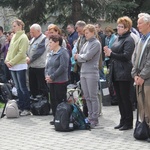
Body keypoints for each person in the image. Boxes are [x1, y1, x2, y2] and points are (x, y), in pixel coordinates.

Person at [104, 16, 135, 130]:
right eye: (118, 26)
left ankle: (128, 122)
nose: (118, 28)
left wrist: (111, 54)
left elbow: (126, 56)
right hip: (116, 71)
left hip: (124, 72)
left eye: (121, 26)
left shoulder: (129, 40)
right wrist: (108, 52)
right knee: (120, 99)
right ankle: (122, 120)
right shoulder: (118, 38)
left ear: (127, 28)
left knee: (125, 98)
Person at [74, 24, 101, 128]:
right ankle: (89, 116)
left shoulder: (96, 43)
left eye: (87, 33)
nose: (85, 35)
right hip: (83, 72)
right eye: (84, 33)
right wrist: (80, 57)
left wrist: (80, 57)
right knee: (87, 97)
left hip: (92, 72)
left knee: (93, 96)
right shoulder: (85, 43)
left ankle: (95, 118)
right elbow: (79, 55)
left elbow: (87, 56)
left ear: (93, 33)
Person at [5, 19, 30, 116]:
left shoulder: (23, 37)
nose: (13, 28)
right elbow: (10, 50)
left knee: (23, 87)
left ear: (20, 26)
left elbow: (21, 53)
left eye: (15, 26)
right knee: (18, 88)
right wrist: (7, 60)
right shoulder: (14, 36)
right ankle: (21, 106)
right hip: (12, 65)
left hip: (19, 65)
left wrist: (12, 61)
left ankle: (26, 108)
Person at [131, 13, 150, 142]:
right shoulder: (141, 39)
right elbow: (135, 59)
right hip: (139, 79)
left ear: (148, 24)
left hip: (147, 79)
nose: (137, 25)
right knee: (142, 106)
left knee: (149, 105)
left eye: (140, 23)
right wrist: (135, 75)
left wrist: (142, 75)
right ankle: (144, 130)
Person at [45, 34, 69, 125]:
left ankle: (62, 117)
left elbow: (63, 67)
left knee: (60, 100)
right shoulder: (50, 53)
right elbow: (47, 66)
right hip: (51, 81)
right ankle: (55, 117)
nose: (49, 44)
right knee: (53, 100)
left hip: (60, 81)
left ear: (57, 42)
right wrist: (47, 76)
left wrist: (52, 76)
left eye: (51, 42)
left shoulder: (63, 52)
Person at [27, 24, 48, 99]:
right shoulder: (32, 39)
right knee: (33, 85)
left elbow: (39, 52)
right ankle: (34, 100)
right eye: (30, 32)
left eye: (33, 32)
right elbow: (28, 50)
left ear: (38, 31)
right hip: (31, 66)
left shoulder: (44, 39)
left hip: (40, 66)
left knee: (41, 86)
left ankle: (44, 102)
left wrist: (30, 59)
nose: (31, 34)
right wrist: (26, 57)